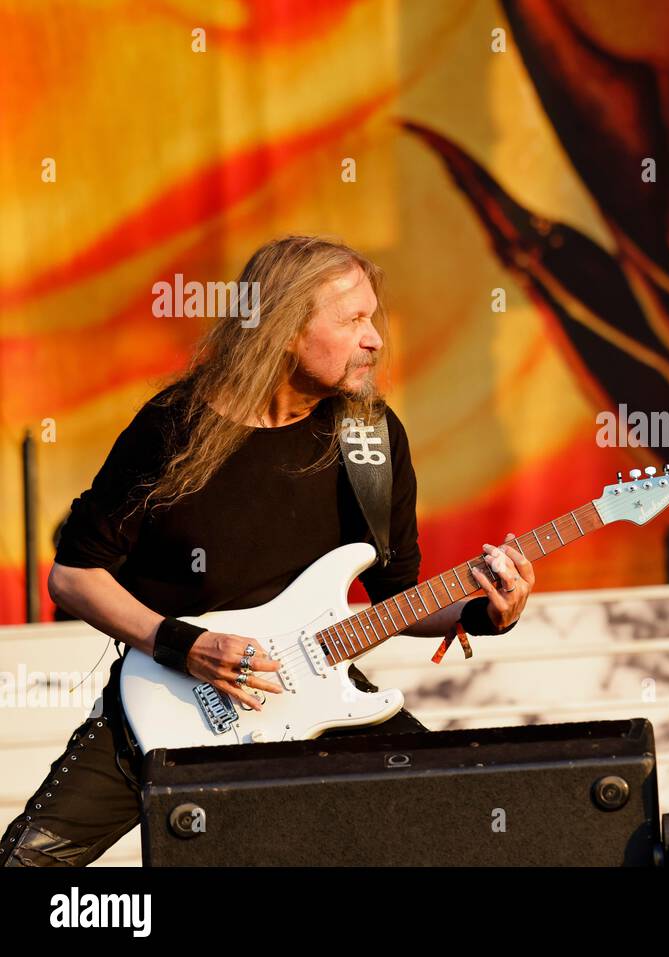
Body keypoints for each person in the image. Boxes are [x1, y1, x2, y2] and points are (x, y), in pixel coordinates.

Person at [2, 236, 534, 866]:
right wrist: (187, 646)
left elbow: (396, 597)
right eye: (354, 320)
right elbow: (73, 576)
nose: (376, 339)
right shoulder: (173, 426)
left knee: (470, 833)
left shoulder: (372, 437)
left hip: (313, 694)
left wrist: (482, 612)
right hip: (166, 699)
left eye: (374, 317)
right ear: (284, 328)